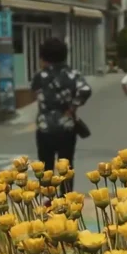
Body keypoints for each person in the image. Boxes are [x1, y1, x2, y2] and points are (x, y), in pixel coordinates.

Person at [31, 37, 92, 175]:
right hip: (66, 126)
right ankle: (67, 195)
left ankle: (48, 195)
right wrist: (73, 107)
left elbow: (34, 92)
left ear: (43, 57)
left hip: (44, 126)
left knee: (46, 168)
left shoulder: (39, 76)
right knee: (66, 166)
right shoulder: (73, 74)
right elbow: (86, 90)